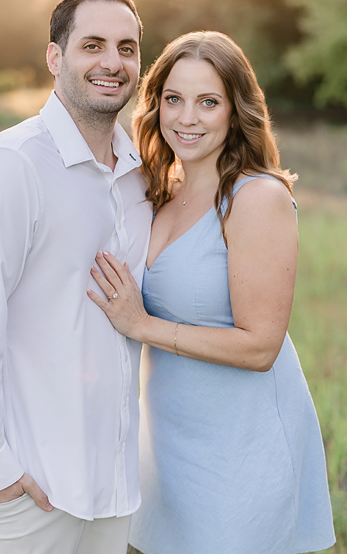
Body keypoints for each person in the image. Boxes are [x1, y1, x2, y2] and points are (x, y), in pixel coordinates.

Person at [88, 31, 336, 554]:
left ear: (235, 109)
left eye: (208, 102)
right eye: (173, 99)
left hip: (239, 453)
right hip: (166, 445)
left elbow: (261, 346)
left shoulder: (257, 198)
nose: (187, 118)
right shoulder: (159, 192)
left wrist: (143, 325)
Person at [0, 0, 153, 554]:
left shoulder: (140, 173)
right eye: (93, 45)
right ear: (55, 58)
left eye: (127, 48)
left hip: (112, 488)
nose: (113, 62)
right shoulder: (13, 166)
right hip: (29, 486)